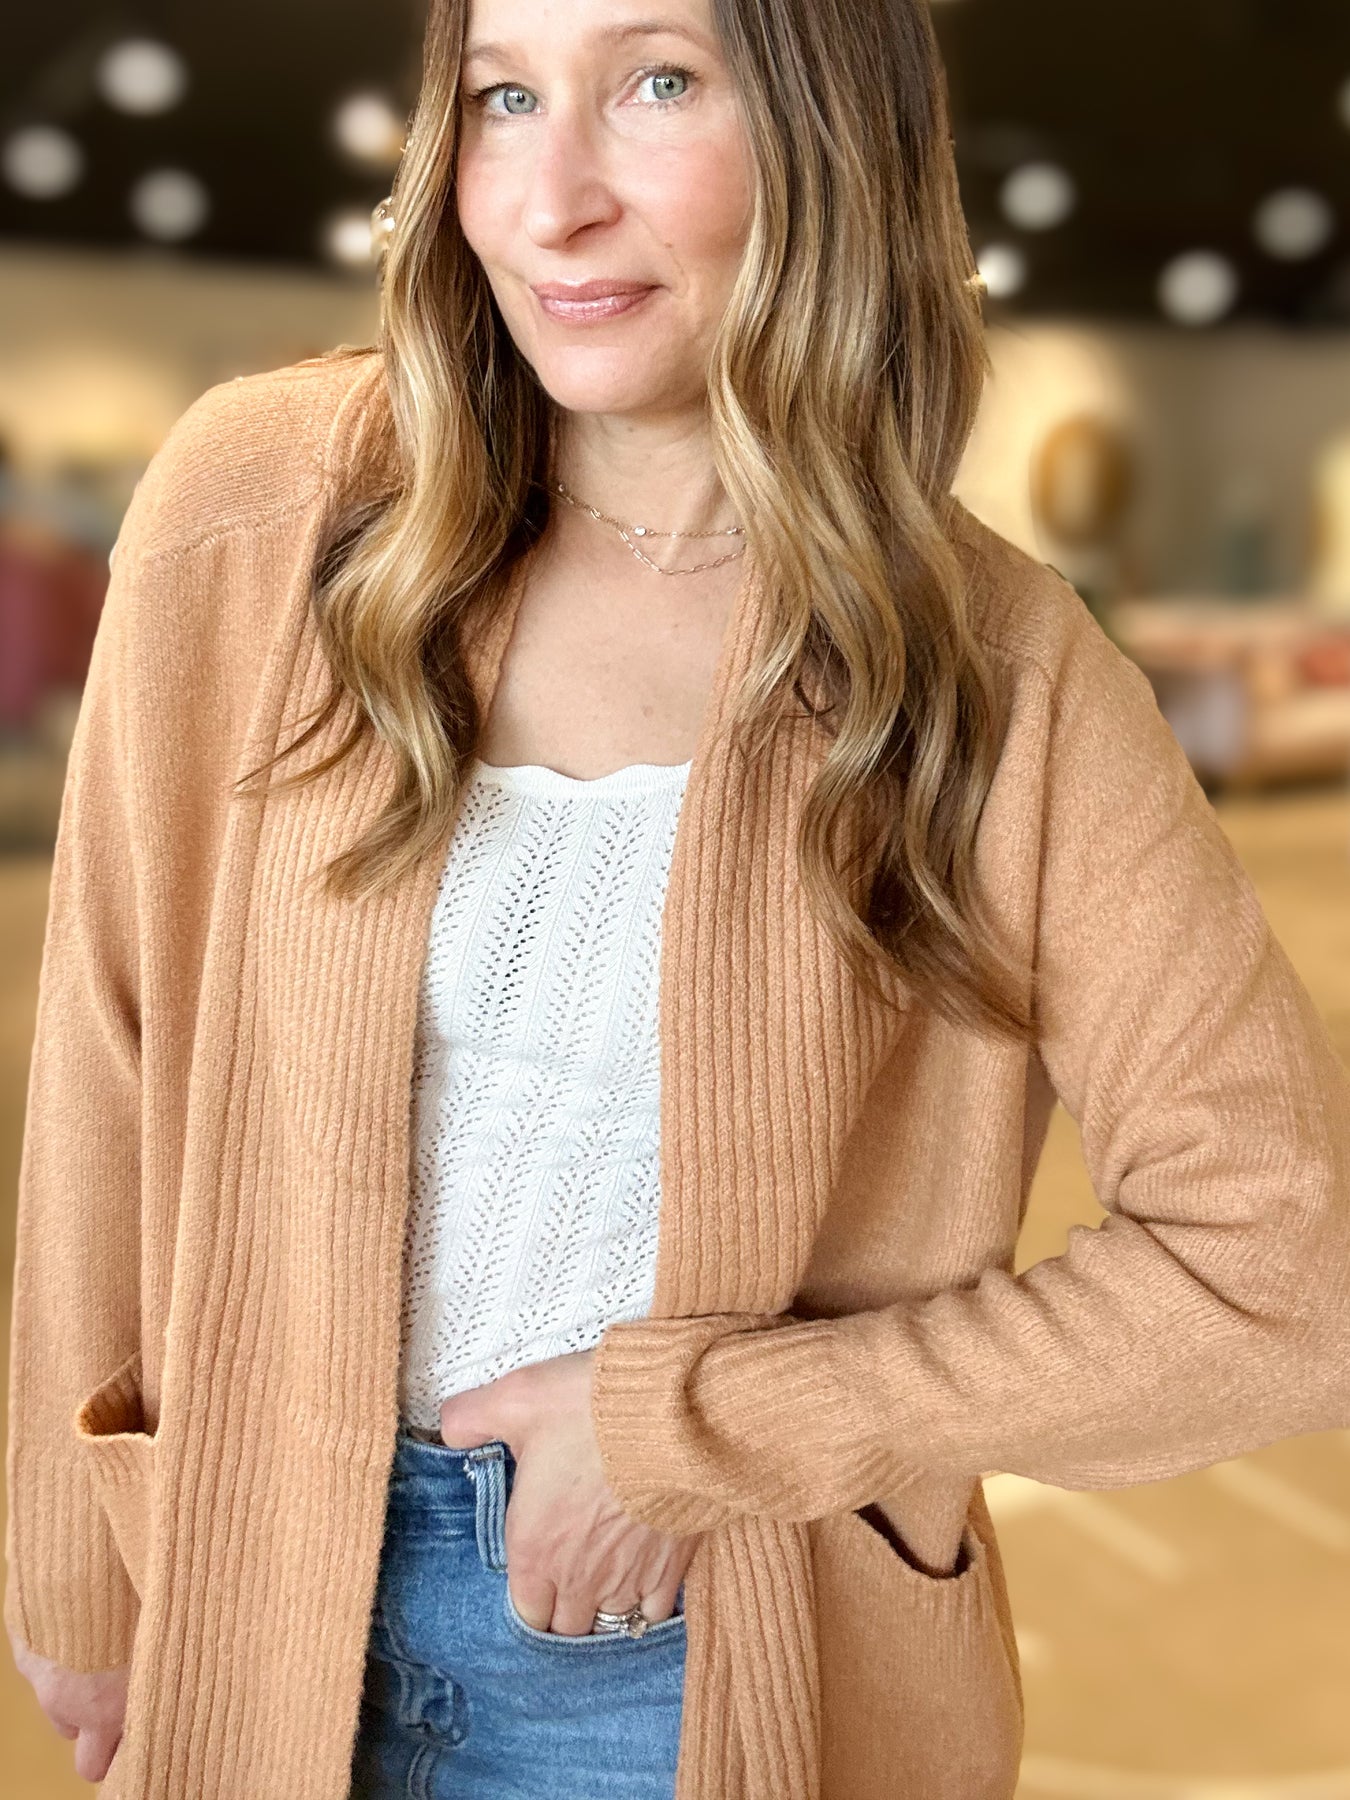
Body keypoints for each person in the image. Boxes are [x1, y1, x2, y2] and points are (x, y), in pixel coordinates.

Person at [7, 0, 1350, 1796]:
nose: (547, 199)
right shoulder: (260, 507)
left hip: (690, 1665)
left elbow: (1282, 1279)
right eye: (502, 97)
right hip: (240, 1579)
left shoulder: (1003, 682)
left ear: (825, 137)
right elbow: (105, 1041)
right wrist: (70, 1553)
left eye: (655, 84)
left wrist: (704, 1431)